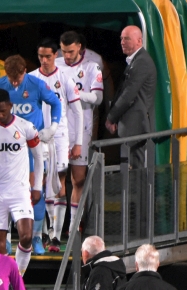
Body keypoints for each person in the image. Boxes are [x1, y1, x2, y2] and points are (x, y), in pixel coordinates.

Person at [0, 55, 62, 257]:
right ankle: (10, 238)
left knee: (34, 189)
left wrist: (53, 127)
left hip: (31, 146)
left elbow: (56, 104)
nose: (14, 83)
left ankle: (37, 237)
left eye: (17, 79)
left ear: (24, 71)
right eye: (10, 78)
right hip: (7, 147)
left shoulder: (37, 84)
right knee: (6, 190)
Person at [0, 88, 44, 275]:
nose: (0, 115)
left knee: (26, 236)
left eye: (3, 110)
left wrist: (37, 186)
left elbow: (38, 157)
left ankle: (18, 276)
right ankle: (5, 283)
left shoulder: (25, 127)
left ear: (11, 106)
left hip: (20, 191)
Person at [29, 40, 84, 253]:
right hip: (36, 136)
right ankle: (41, 232)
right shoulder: (32, 78)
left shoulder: (65, 77)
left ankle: (55, 235)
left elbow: (78, 111)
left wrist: (78, 142)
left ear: (55, 55)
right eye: (41, 56)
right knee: (39, 183)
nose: (44, 60)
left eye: (48, 56)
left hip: (59, 136)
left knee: (59, 182)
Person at [57, 31, 104, 246]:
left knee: (78, 180)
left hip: (80, 131)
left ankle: (74, 226)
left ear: (80, 48)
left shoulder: (92, 67)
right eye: (64, 51)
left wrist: (74, 95)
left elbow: (98, 97)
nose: (67, 56)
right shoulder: (55, 64)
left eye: (71, 51)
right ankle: (56, 229)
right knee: (57, 180)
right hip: (58, 130)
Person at [105, 26, 157, 170]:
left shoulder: (142, 62)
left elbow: (128, 94)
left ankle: (139, 194)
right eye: (121, 38)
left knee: (135, 170)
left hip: (136, 127)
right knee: (128, 171)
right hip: (130, 127)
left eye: (126, 38)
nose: (122, 42)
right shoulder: (135, 61)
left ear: (139, 41)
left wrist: (111, 117)